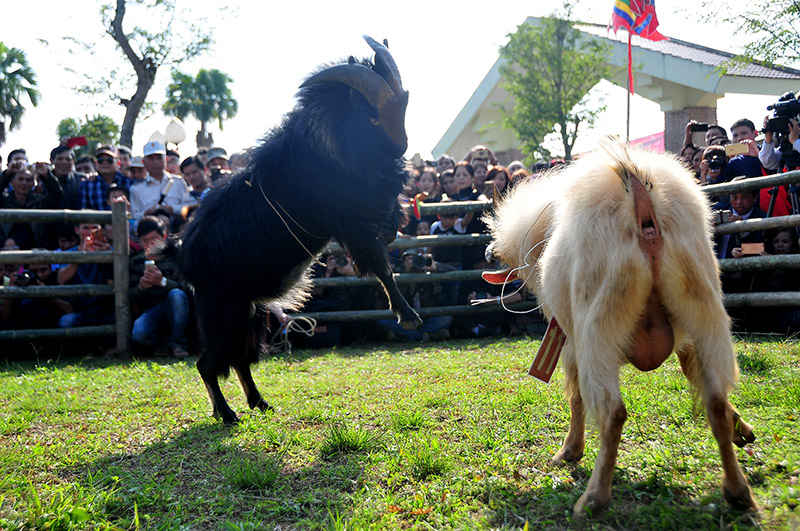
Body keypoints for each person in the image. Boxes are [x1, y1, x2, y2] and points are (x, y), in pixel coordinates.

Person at [129, 216, 190, 358]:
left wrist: (162, 282)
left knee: (176, 295)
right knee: (139, 334)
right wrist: (141, 288)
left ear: (163, 236)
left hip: (175, 308)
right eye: (145, 240)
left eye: (154, 239)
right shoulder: (136, 262)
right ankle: (159, 345)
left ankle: (177, 343)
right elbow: (131, 295)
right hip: (150, 311)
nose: (150, 244)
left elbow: (186, 288)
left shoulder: (174, 258)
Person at [376, 251, 454, 342]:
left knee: (447, 318)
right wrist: (406, 272)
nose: (414, 262)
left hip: (429, 315)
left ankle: (408, 335)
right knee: (382, 321)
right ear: (404, 262)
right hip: (405, 317)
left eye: (416, 258)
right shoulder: (398, 274)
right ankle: (426, 335)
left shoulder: (430, 272)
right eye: (409, 259)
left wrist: (436, 267)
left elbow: (456, 273)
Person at [57, 222, 115, 328]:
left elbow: (119, 279)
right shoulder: (69, 253)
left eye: (94, 228)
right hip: (81, 311)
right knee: (67, 321)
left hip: (107, 310)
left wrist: (107, 257)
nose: (90, 232)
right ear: (77, 230)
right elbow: (61, 279)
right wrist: (80, 256)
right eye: (86, 228)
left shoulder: (111, 251)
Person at [0, 165, 63, 249]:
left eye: (28, 180)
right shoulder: (4, 201)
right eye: (20, 179)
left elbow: (57, 194)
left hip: (35, 250)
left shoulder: (39, 201)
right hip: (7, 249)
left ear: (33, 183)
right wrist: (6, 174)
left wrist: (46, 175)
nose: (24, 183)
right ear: (12, 182)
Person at [129, 141, 194, 223]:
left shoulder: (178, 182)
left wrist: (172, 209)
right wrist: (146, 213)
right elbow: (134, 217)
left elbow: (190, 206)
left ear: (166, 159)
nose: (156, 162)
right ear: (143, 162)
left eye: (159, 158)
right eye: (151, 158)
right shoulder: (136, 189)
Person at [79, 145, 135, 210]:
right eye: (100, 160)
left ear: (118, 163)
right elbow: (82, 212)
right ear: (96, 163)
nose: (104, 163)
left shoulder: (131, 184)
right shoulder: (86, 186)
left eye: (109, 160)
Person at [49, 145, 84, 210]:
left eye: (68, 159)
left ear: (73, 161)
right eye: (60, 159)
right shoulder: (45, 181)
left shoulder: (82, 179)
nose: (64, 162)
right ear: (52, 161)